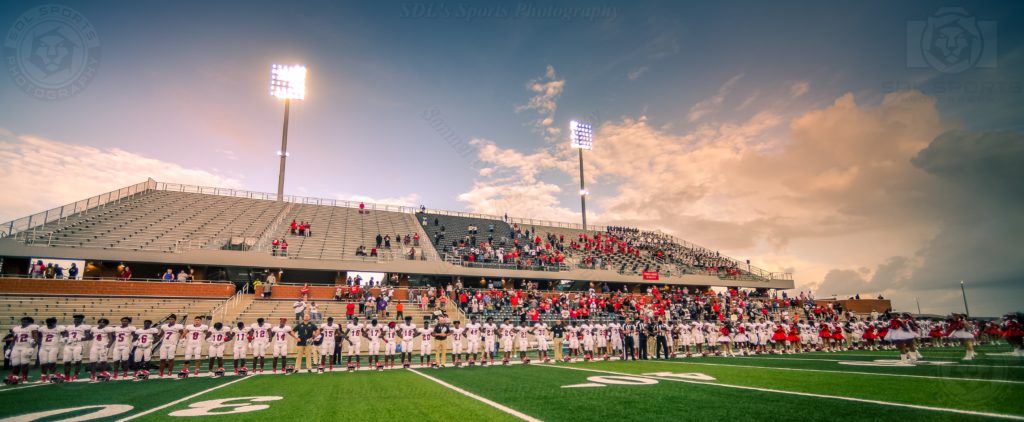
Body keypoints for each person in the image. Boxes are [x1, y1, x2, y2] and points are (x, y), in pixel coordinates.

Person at [61, 314, 90, 380]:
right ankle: (67, 376)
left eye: (77, 319)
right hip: (68, 345)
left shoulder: (85, 327)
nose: (75, 320)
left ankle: (75, 375)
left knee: (78, 361)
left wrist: (78, 339)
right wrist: (65, 338)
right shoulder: (69, 327)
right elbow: (66, 335)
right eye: (75, 319)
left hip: (78, 345)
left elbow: (88, 337)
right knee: (66, 361)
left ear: (81, 320)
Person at [37, 317, 62, 382]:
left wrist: (63, 339)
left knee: (52, 362)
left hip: (54, 347)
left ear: (55, 323)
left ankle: (52, 375)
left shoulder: (59, 328)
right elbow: (39, 337)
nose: (49, 324)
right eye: (48, 323)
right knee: (43, 362)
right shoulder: (42, 329)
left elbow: (65, 335)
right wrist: (39, 343)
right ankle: (43, 376)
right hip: (43, 347)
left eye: (51, 323)